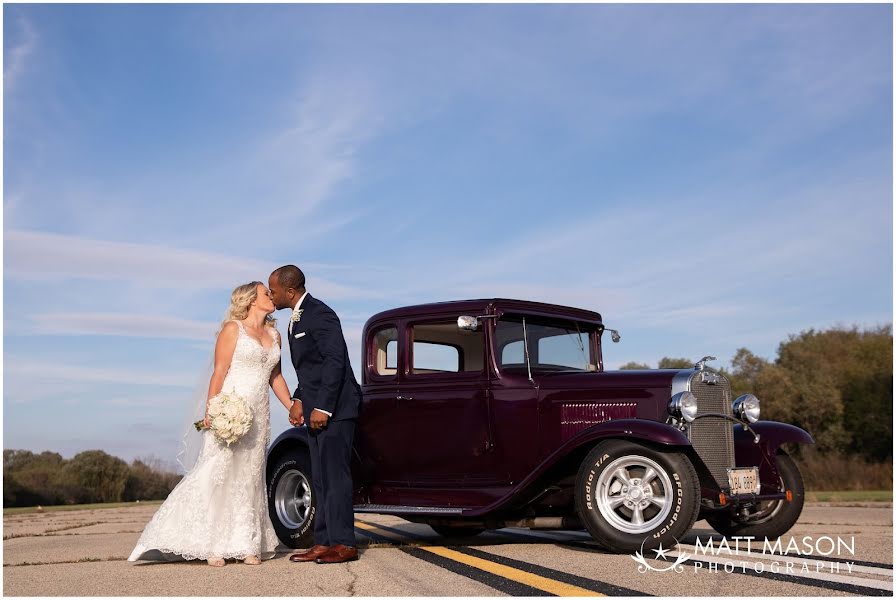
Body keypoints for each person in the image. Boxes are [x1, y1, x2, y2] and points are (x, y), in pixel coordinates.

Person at [128, 282, 297, 566]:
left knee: (250, 477)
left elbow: (275, 377)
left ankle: (246, 544)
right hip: (230, 411)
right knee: (218, 475)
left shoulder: (275, 335)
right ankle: (213, 545)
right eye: (265, 292)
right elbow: (219, 373)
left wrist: (292, 406)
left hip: (259, 416)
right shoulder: (233, 330)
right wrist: (213, 412)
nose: (271, 295)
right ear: (250, 300)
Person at [268, 265, 362, 564]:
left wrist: (323, 407)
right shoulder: (295, 320)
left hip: (337, 409)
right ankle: (323, 541)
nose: (271, 295)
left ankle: (345, 544)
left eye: (274, 290)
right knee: (319, 478)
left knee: (336, 478)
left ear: (290, 291)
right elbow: (311, 371)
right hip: (314, 408)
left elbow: (335, 362)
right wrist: (298, 399)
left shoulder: (321, 314)